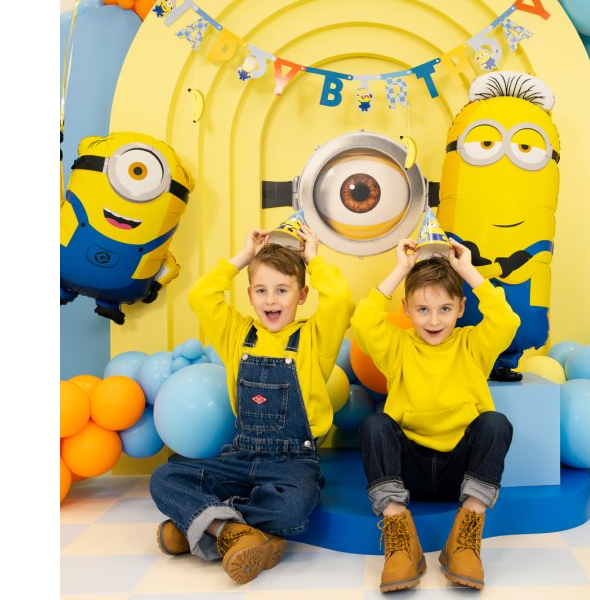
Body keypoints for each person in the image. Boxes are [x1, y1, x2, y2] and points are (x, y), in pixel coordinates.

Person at [149, 225, 355, 584]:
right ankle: (234, 533)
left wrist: (312, 258)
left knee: (294, 507)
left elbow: (341, 299)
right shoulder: (237, 333)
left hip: (292, 462)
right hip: (241, 456)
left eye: (282, 290)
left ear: (303, 294)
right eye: (261, 290)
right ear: (249, 295)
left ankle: (204, 524)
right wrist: (244, 257)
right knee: (163, 478)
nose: (271, 300)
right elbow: (201, 294)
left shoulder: (314, 338)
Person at [352, 238, 520, 592]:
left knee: (495, 424)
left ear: (461, 308)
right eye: (423, 309)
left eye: (444, 308)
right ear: (406, 309)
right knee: (375, 425)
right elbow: (363, 321)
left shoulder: (473, 344)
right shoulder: (397, 346)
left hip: (460, 471)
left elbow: (506, 320)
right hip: (408, 470)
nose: (433, 320)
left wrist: (467, 271)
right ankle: (400, 537)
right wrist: (400, 269)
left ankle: (465, 538)